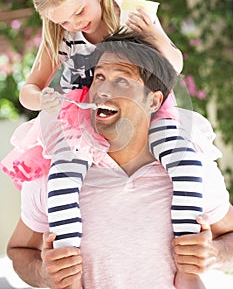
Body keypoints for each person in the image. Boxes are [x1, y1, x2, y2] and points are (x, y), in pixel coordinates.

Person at [6, 32, 233, 289]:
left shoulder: (192, 171)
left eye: (121, 81)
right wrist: (43, 273)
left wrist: (215, 253)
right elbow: (19, 249)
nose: (102, 90)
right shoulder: (56, 176)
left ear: (153, 100)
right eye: (99, 77)